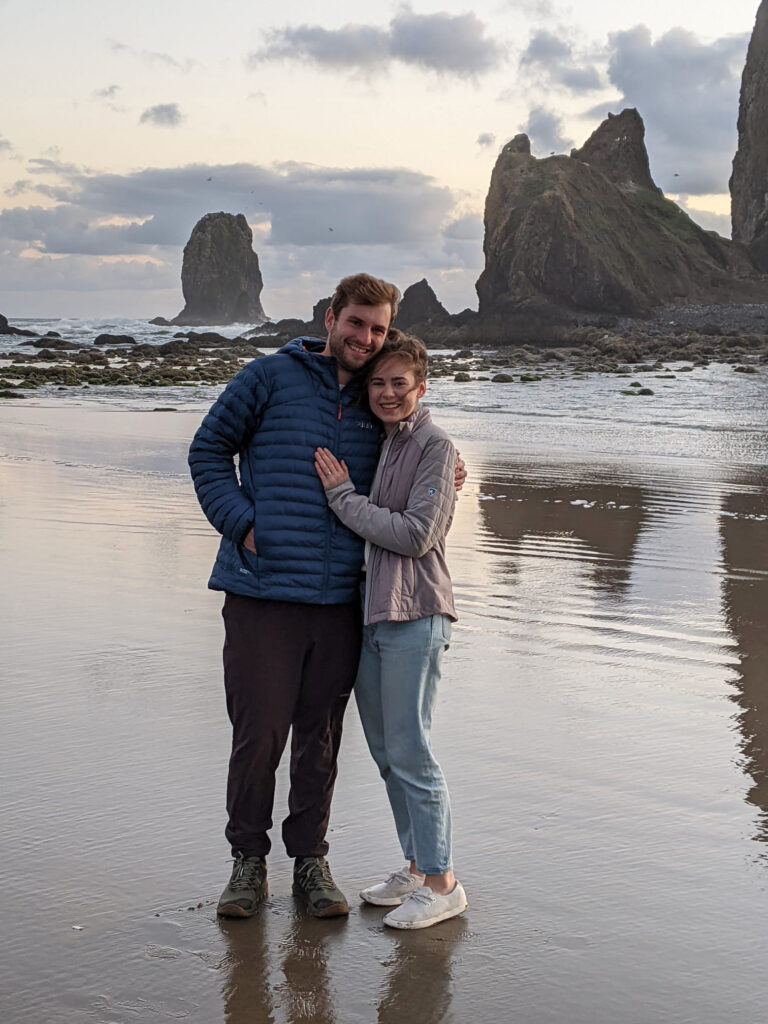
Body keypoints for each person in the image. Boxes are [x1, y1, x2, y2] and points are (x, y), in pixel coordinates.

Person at [188, 274, 464, 921]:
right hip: (261, 591)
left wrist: (451, 471)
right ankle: (247, 866)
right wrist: (242, 523)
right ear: (330, 316)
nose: (364, 338)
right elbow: (208, 450)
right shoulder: (267, 378)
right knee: (259, 736)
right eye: (355, 323)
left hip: (344, 600)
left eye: (377, 329)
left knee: (321, 739)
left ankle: (310, 863)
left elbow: (414, 453)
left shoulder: (377, 399)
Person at [313, 333, 467, 930]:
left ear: (421, 387)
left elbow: (415, 535)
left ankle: (443, 881)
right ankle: (415, 866)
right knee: (386, 752)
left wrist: (342, 497)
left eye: (399, 382)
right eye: (378, 382)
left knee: (412, 750)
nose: (386, 392)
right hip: (373, 616)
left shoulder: (434, 444)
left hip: (417, 615)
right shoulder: (384, 443)